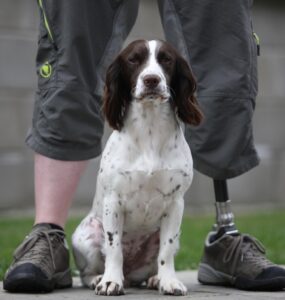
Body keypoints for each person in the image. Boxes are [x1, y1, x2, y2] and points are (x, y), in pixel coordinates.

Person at [3, 0, 285, 293]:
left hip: (154, 233)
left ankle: (224, 236)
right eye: (138, 62)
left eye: (163, 62)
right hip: (105, 242)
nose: (151, 73)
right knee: (72, 42)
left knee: (220, 35)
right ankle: (48, 236)